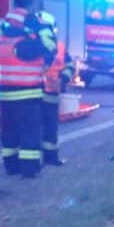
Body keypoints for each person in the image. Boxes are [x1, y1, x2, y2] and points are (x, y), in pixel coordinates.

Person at [0, 9, 56, 177]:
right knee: (30, 132)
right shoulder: (24, 44)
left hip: (5, 95)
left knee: (9, 132)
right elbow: (50, 47)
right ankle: (30, 168)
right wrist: (42, 29)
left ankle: (11, 166)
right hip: (27, 94)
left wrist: (4, 27)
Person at [40, 14, 73, 166]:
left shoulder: (58, 46)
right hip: (38, 93)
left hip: (47, 93)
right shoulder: (33, 44)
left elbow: (69, 65)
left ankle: (48, 157)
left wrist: (63, 79)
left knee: (48, 128)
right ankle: (46, 158)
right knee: (45, 128)